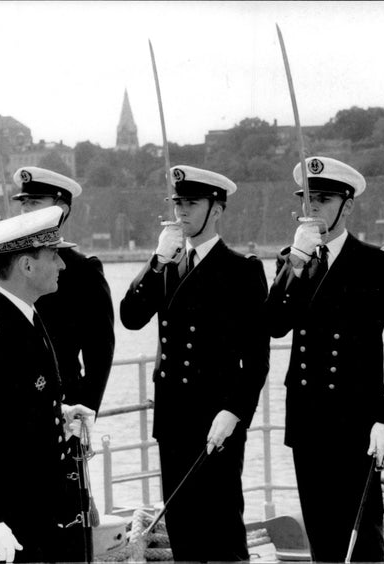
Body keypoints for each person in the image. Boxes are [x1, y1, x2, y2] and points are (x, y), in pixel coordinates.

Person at [265, 156, 384, 562]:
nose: (312, 207)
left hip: (357, 421)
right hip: (307, 419)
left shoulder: (375, 263)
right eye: (307, 199)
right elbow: (273, 323)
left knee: (362, 536)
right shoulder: (293, 262)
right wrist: (295, 266)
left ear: (347, 205)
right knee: (321, 535)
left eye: (323, 199)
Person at [120, 165, 270, 561]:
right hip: (173, 420)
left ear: (216, 209)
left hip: (215, 419)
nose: (182, 212)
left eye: (192, 203)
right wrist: (154, 262)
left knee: (221, 526)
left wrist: (235, 411)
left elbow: (256, 359)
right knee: (183, 528)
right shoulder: (166, 265)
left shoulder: (242, 270)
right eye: (178, 203)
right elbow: (131, 316)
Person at [0, 206, 94, 563]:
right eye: (54, 255)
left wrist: (59, 413)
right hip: (10, 520)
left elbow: (11, 402)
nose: (62, 265)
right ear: (27, 266)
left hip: (42, 508)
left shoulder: (24, 314)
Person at [0, 166, 114, 414]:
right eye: (23, 203)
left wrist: (84, 415)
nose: (25, 211)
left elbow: (99, 354)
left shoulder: (82, 272)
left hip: (60, 410)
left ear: (62, 210)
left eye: (34, 202)